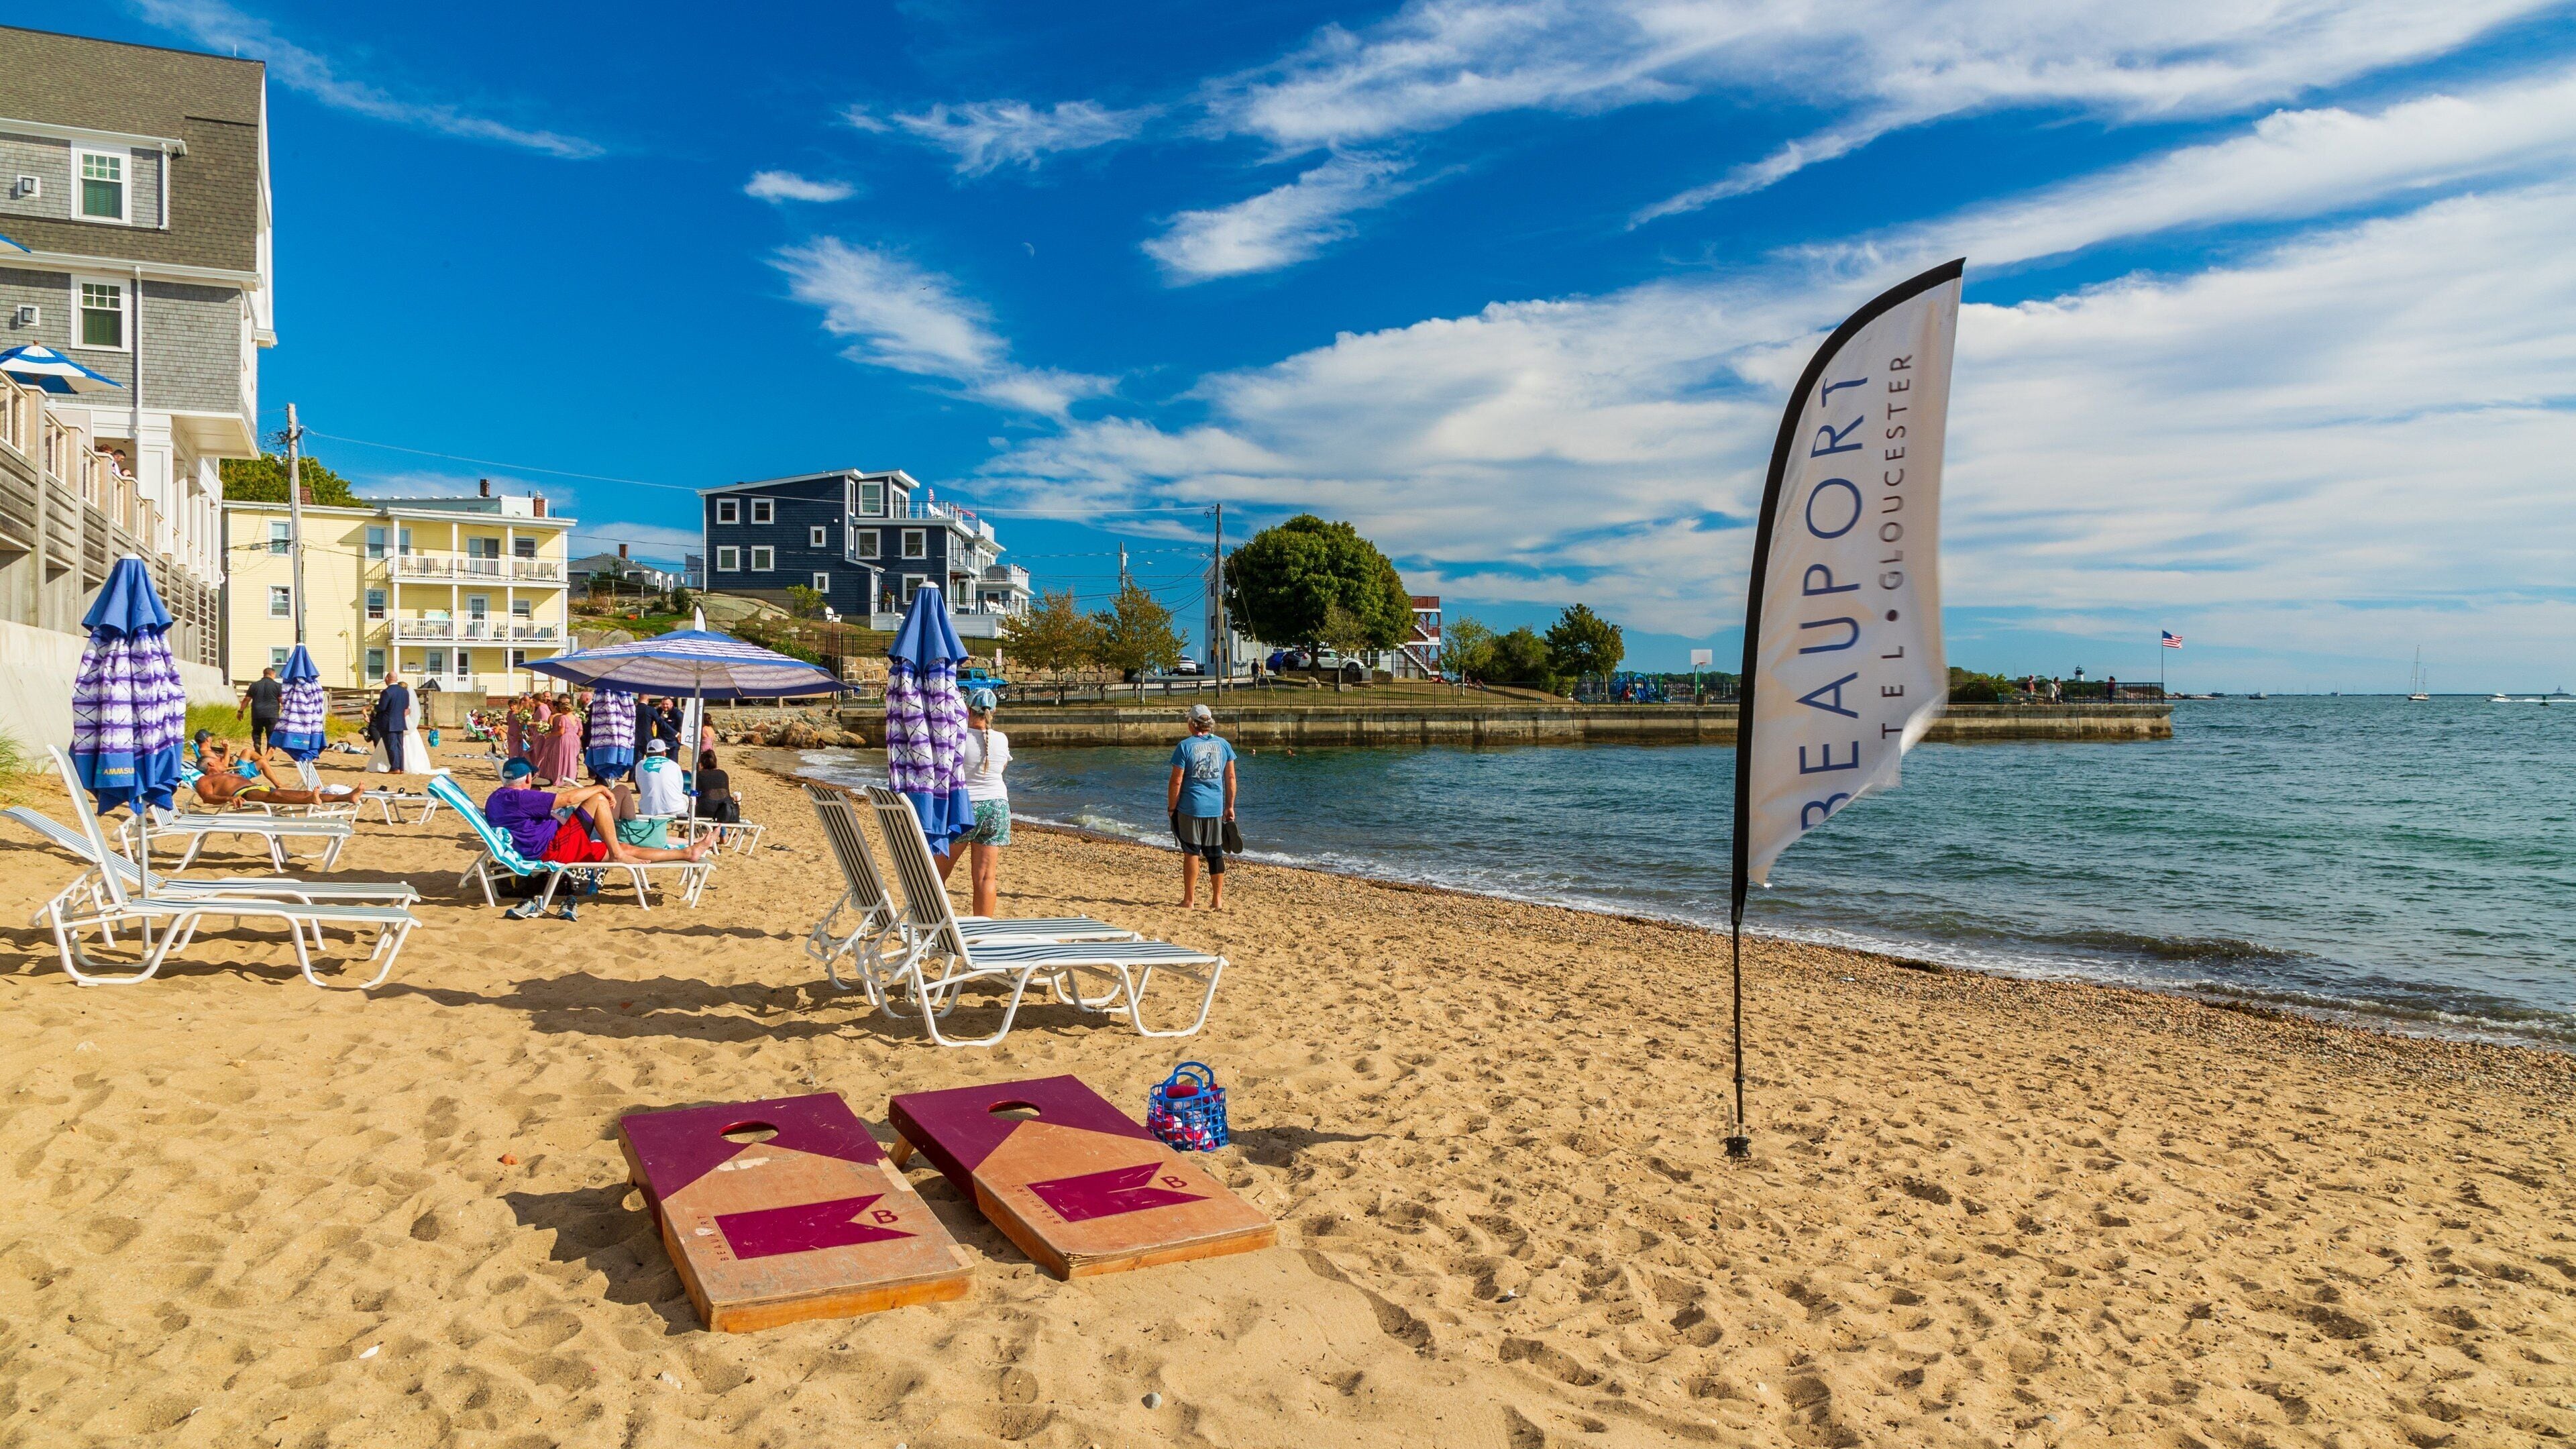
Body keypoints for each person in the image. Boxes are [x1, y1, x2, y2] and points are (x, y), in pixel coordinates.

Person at [482, 758, 711, 920]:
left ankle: (686, 853)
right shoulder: (521, 797)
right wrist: (600, 787)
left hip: (552, 844)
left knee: (621, 847)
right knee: (600, 800)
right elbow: (567, 798)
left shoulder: (497, 798)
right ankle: (619, 854)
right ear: (529, 778)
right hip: (554, 849)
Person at [937, 689, 1010, 918]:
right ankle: (983, 933)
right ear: (994, 711)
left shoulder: (958, 738)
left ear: (967, 710)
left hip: (966, 809)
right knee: (986, 877)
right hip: (998, 808)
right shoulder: (1001, 739)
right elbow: (1001, 769)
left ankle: (934, 925)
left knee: (936, 875)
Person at [1166, 702, 1237, 910]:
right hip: (1215, 807)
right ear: (1209, 724)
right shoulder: (1224, 745)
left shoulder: (1185, 746)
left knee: (1192, 852)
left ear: (1192, 724)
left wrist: (1172, 807)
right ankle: (1217, 899)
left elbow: (1176, 781)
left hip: (1191, 807)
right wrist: (1230, 806)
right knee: (1215, 853)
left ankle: (1189, 900)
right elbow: (1231, 777)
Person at [192, 738, 354, 808]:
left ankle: (347, 797)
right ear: (211, 764)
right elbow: (207, 798)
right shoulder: (204, 780)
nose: (223, 761)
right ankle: (310, 799)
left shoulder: (227, 772)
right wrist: (229, 798)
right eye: (219, 760)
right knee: (276, 796)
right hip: (244, 794)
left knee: (304, 793)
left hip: (256, 788)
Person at [369, 674, 415, 773]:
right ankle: (401, 767)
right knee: (399, 745)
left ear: (387, 679)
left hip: (389, 722)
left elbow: (382, 707)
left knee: (391, 745)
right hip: (400, 721)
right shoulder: (404, 691)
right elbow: (406, 706)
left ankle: (395, 768)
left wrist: (374, 707)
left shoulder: (387, 692)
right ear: (396, 679)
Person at [535, 692, 582, 786]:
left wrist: (550, 735)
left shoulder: (563, 718)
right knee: (573, 759)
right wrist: (575, 738)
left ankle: (561, 778)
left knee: (563, 759)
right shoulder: (578, 718)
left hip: (565, 739)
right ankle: (572, 778)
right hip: (576, 739)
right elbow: (581, 732)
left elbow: (561, 732)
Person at [634, 738, 689, 817]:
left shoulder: (639, 765)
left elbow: (640, 786)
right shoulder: (674, 765)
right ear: (663, 753)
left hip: (649, 810)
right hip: (674, 809)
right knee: (685, 798)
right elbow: (680, 788)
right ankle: (681, 826)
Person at [239, 667, 284, 754]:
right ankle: (269, 754)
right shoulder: (278, 686)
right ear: (273, 674)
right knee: (271, 734)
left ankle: (257, 744)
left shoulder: (254, 685)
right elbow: (281, 700)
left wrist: (240, 711)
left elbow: (246, 700)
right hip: (272, 714)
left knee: (256, 731)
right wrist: (286, 710)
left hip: (257, 713)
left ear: (264, 674)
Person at [692, 750, 737, 822]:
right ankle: (722, 832)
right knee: (720, 808)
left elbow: (696, 795)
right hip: (725, 810)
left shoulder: (700, 776)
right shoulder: (723, 774)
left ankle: (705, 832)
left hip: (707, 810)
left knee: (692, 806)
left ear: (701, 764)